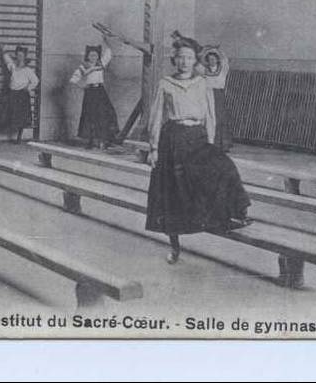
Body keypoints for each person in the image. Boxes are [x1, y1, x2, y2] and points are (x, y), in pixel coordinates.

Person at [145, 40, 252, 264]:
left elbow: (210, 115)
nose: (185, 62)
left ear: (196, 61)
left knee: (224, 167)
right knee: (172, 194)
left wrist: (211, 143)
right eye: (181, 57)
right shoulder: (165, 83)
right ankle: (175, 247)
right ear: (175, 59)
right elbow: (156, 117)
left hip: (198, 137)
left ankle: (236, 214)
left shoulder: (203, 83)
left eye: (189, 58)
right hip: (173, 139)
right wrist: (153, 148)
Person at [69, 34, 120, 149]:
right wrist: (82, 86)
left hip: (100, 92)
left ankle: (103, 140)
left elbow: (109, 53)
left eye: (95, 55)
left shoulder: (100, 64)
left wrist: (106, 41)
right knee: (90, 116)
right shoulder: (84, 67)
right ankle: (90, 141)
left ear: (98, 56)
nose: (93, 57)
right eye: (91, 55)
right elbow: (73, 80)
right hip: (90, 93)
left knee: (104, 115)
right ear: (88, 56)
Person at [0, 43, 40, 143]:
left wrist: (28, 88)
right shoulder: (13, 67)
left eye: (21, 56)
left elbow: (35, 81)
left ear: (24, 57)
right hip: (12, 93)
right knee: (3, 108)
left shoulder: (28, 70)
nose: (19, 58)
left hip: (22, 95)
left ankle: (19, 137)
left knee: (21, 116)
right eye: (18, 55)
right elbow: (7, 60)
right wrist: (2, 50)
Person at [200, 46, 232, 152]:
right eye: (209, 59)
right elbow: (198, 60)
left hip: (218, 96)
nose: (211, 61)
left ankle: (222, 145)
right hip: (207, 96)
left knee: (219, 119)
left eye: (213, 59)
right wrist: (207, 49)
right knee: (208, 119)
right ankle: (210, 143)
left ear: (217, 60)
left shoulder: (222, 70)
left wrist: (217, 50)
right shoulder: (204, 71)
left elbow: (225, 60)